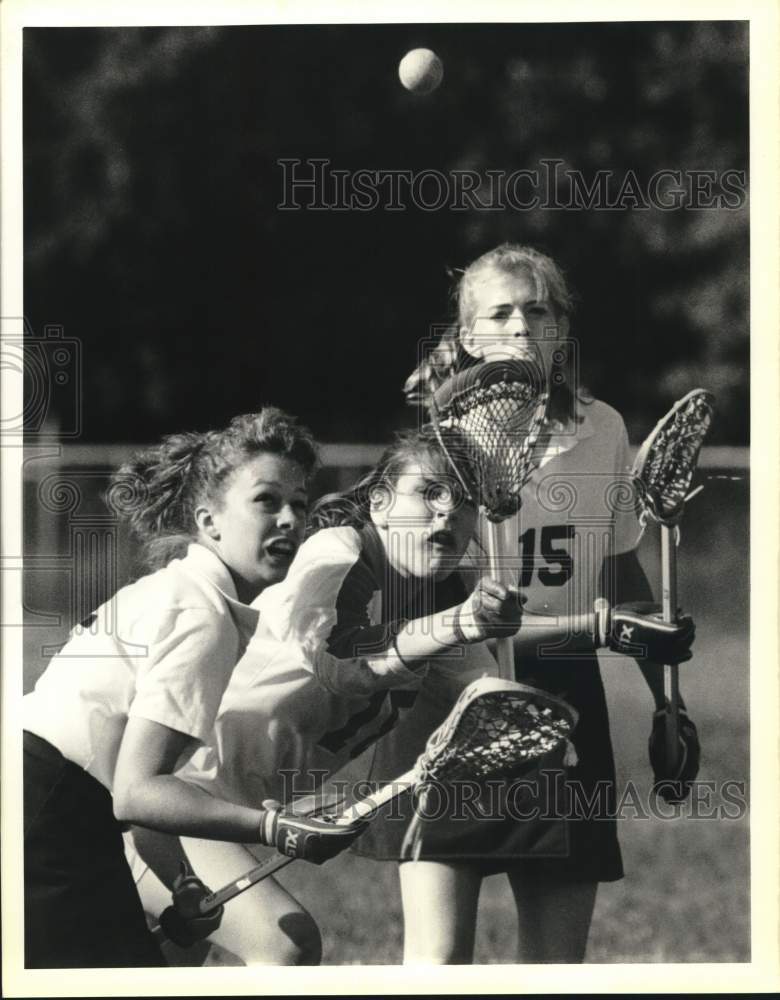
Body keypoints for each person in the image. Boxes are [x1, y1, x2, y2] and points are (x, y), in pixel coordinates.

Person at [128, 419, 691, 966]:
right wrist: (463, 622)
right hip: (173, 806)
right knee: (287, 947)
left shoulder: (433, 607)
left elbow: (488, 687)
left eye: (464, 502)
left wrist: (577, 677)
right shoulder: (336, 552)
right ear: (379, 504)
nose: (448, 511)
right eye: (428, 493)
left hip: (232, 813)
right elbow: (342, 664)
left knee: (161, 967)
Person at [353, 242, 701, 964]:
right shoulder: (437, 445)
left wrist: (667, 697)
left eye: (536, 310)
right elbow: (432, 612)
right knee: (440, 959)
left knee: (556, 963)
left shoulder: (601, 428)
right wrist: (604, 629)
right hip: (455, 696)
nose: (519, 326)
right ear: (467, 336)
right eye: (499, 312)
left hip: (566, 694)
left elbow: (615, 563)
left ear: (561, 332)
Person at [22, 407, 367, 969]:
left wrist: (182, 883)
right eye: (267, 501)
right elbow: (136, 792)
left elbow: (138, 790)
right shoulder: (201, 614)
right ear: (209, 522)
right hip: (48, 816)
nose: (289, 519)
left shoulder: (186, 594)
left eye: (300, 505)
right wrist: (272, 826)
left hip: (50, 806)